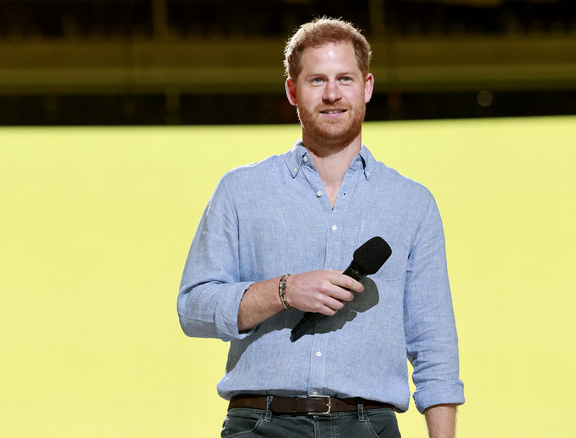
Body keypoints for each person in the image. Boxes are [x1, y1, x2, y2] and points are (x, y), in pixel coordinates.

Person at [178, 17, 464, 438]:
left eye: (344, 78)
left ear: (366, 87)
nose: (332, 94)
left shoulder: (412, 203)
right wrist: (284, 290)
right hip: (261, 425)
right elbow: (193, 309)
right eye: (317, 80)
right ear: (293, 90)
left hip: (370, 426)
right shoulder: (241, 190)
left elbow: (434, 344)